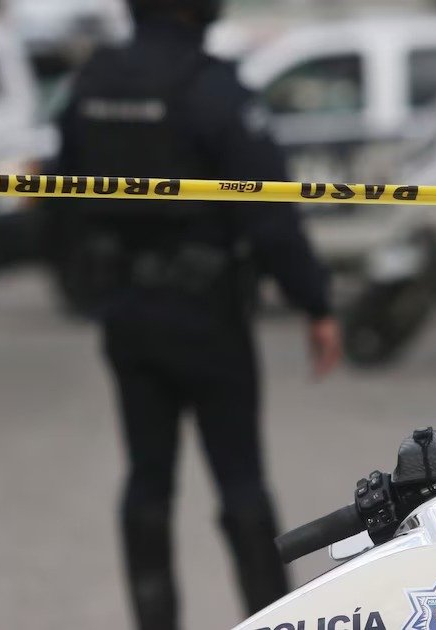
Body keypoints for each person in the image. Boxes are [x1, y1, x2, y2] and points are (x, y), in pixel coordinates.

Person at [52, 0, 341, 627]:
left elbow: (60, 192)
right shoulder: (211, 87)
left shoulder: (92, 84)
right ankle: (270, 621)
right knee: (241, 481)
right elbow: (270, 211)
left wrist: (86, 286)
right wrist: (314, 302)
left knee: (146, 481)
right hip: (208, 317)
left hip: (127, 314)